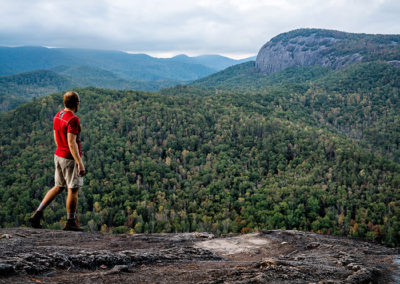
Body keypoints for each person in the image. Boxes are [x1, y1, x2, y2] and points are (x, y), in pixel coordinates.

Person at [29, 91, 85, 231]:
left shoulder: (58, 115)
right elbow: (72, 143)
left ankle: (37, 213)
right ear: (76, 103)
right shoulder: (73, 119)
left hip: (58, 155)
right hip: (69, 158)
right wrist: (79, 163)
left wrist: (61, 149)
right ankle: (71, 222)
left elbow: (55, 135)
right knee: (73, 189)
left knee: (58, 186)